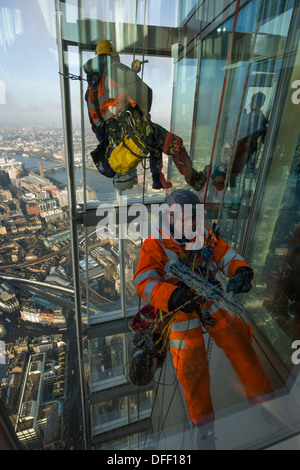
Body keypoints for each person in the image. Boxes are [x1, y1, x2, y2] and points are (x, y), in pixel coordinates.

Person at [133, 189, 271, 426]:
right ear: (170, 217)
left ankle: (264, 399)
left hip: (207, 297)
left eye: (193, 217)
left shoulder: (204, 236)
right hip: (178, 312)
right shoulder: (155, 243)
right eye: (184, 217)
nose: (190, 223)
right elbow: (144, 282)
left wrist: (241, 271)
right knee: (192, 369)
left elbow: (227, 255)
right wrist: (173, 296)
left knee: (238, 341)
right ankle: (204, 424)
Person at [83, 40, 207, 192]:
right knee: (173, 143)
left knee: (155, 141)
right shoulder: (116, 70)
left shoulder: (89, 91)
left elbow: (95, 124)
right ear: (113, 56)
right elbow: (146, 92)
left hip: (114, 142)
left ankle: (157, 179)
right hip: (134, 132)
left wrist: (111, 143)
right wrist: (143, 116)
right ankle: (194, 180)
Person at [211, 92, 269, 191]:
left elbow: (264, 140)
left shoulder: (261, 121)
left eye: (253, 103)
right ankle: (234, 195)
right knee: (231, 174)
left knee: (234, 175)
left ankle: (234, 196)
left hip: (245, 152)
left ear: (259, 104)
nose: (251, 106)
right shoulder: (251, 118)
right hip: (240, 150)